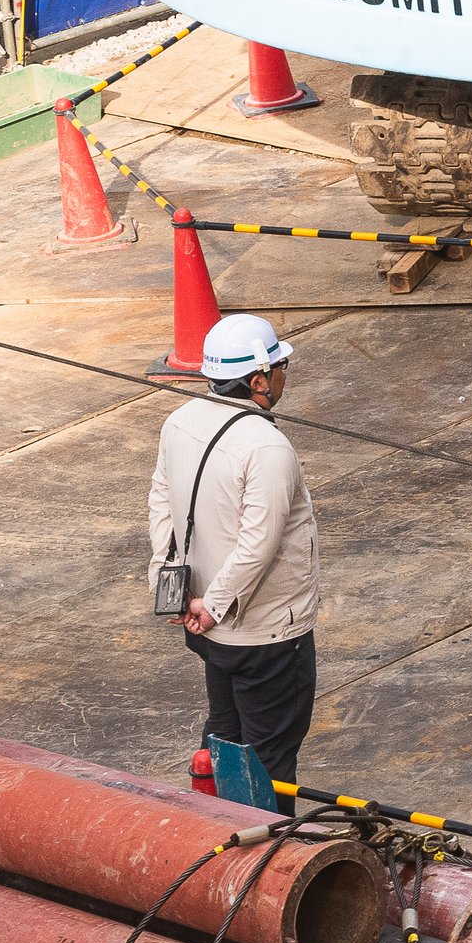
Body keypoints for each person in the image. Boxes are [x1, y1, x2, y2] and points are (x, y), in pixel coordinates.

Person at [146, 314, 318, 805]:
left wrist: (168, 581)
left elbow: (162, 500)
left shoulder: (180, 421)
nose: (285, 376)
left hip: (206, 626)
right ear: (259, 380)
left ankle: (209, 831)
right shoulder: (266, 446)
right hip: (265, 633)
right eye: (280, 367)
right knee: (269, 762)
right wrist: (215, 604)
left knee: (223, 738)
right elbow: (258, 544)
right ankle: (259, 863)